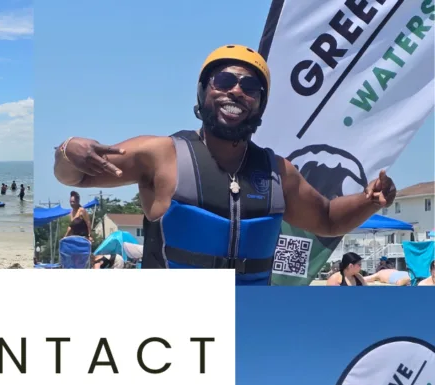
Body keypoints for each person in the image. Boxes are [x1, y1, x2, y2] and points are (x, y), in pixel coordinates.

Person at [54, 45, 396, 285]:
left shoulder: (279, 172)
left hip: (249, 320)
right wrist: (68, 150)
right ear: (203, 92)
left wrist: (369, 200)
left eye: (250, 87)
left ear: (259, 105)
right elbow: (76, 175)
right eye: (223, 81)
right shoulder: (160, 155)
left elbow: (328, 219)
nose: (235, 91)